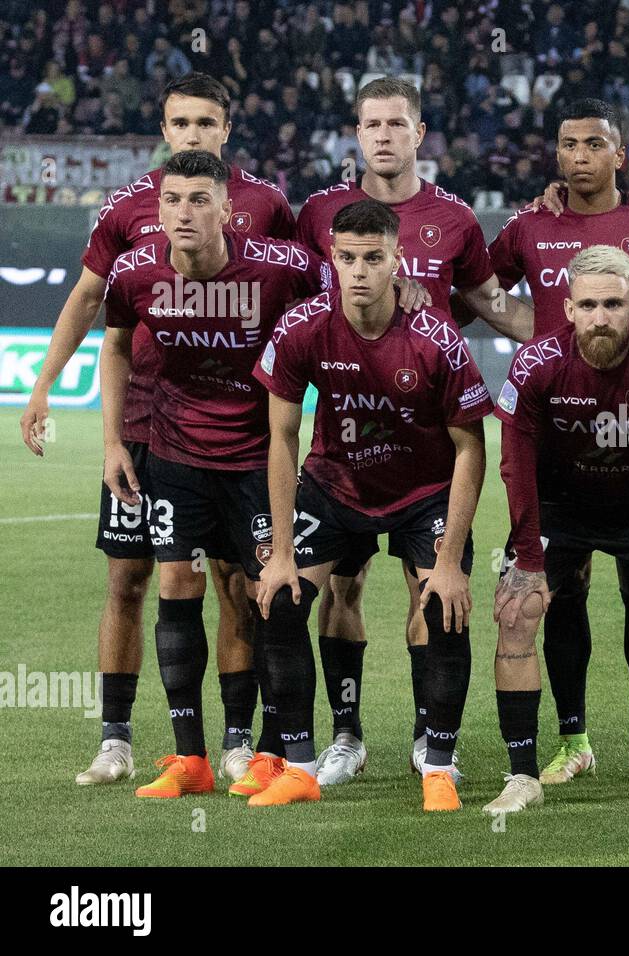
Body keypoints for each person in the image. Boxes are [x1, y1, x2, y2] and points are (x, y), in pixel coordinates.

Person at [19, 72, 294, 789]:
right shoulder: (127, 210)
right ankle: (116, 740)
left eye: (207, 122)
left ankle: (233, 740)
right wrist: (44, 382)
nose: (193, 134)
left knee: (238, 583)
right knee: (131, 577)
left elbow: (302, 297)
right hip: (144, 421)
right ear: (163, 127)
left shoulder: (265, 206)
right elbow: (89, 304)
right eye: (181, 122)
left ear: (227, 129)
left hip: (237, 427)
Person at [294, 76, 533, 785]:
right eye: (372, 124)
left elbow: (494, 305)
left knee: (430, 594)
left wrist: (576, 332)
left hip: (429, 449)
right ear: (357, 133)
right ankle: (346, 735)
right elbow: (282, 283)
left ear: (419, 132)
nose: (384, 135)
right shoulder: (317, 212)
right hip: (342, 449)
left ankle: (433, 739)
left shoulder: (454, 219)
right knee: (340, 592)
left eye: (397, 123)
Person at [97, 151, 329, 799]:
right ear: (158, 208)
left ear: (229, 210)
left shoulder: (279, 267)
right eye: (173, 199)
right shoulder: (135, 273)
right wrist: (114, 441)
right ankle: (189, 758)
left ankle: (258, 750)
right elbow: (115, 347)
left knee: (265, 597)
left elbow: (343, 302)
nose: (184, 212)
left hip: (258, 460)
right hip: (173, 456)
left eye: (200, 199)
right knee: (176, 582)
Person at [489, 97, 629, 788]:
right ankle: (572, 737)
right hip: (562, 445)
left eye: (593, 143)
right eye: (568, 144)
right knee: (560, 597)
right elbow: (475, 281)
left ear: (621, 153)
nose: (578, 156)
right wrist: (537, 334)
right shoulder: (531, 221)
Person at [252, 199, 491, 809]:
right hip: (336, 488)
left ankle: (438, 762)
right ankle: (304, 766)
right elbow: (280, 438)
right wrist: (280, 552)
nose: (359, 272)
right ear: (332, 258)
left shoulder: (435, 336)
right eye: (348, 258)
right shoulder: (304, 325)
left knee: (443, 606)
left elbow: (471, 449)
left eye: (374, 258)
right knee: (281, 600)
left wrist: (452, 560)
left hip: (421, 492)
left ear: (397, 260)